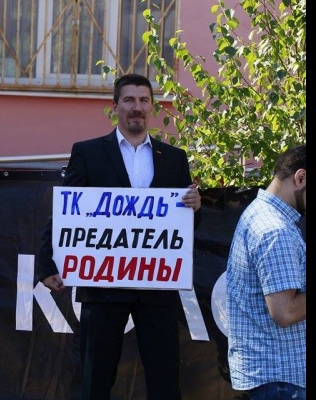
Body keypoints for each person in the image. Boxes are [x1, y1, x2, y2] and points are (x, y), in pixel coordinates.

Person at [36, 73, 202, 400]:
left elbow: (185, 225)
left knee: (165, 382)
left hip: (156, 287)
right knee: (95, 380)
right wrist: (47, 262)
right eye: (128, 100)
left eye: (143, 100)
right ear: (115, 107)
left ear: (152, 107)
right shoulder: (88, 153)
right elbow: (67, 211)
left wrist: (195, 207)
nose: (136, 107)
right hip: (103, 287)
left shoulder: (174, 159)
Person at [226, 145, 306, 400]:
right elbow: (285, 312)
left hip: (275, 376)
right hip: (282, 379)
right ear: (300, 178)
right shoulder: (275, 230)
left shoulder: (261, 214)